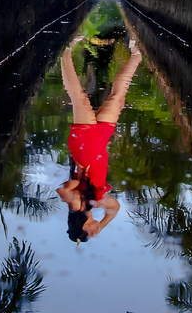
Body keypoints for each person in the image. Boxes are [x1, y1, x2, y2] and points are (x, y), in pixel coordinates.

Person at [56, 41, 143, 242]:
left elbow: (62, 190)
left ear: (85, 228)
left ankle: (66, 50)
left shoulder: (77, 205)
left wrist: (79, 184)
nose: (96, 234)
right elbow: (115, 208)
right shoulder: (98, 201)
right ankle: (136, 54)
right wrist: (101, 226)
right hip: (99, 143)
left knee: (79, 98)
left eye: (92, 234)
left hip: (85, 148)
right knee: (118, 97)